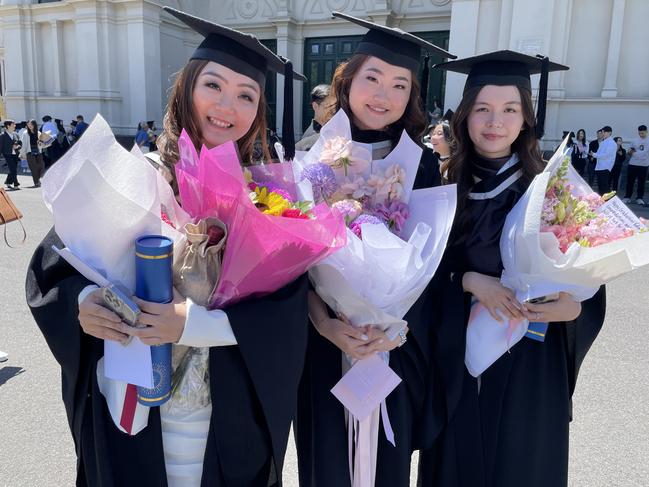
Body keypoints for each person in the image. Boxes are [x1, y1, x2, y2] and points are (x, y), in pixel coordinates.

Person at [26, 7, 308, 486]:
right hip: (134, 403)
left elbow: (287, 311)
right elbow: (55, 262)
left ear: (258, 111)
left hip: (225, 414)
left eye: (247, 95)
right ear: (187, 88)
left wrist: (195, 325)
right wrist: (83, 300)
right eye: (213, 86)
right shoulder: (138, 175)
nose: (227, 106)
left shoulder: (268, 197)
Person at [419, 50, 606, 487]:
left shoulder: (552, 189)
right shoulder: (443, 186)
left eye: (509, 109)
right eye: (482, 109)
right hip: (460, 356)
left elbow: (591, 273)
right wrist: (466, 280)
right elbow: (418, 277)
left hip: (532, 361)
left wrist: (575, 310)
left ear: (526, 119)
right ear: (464, 116)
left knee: (521, 464)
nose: (494, 122)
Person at [295, 12, 455, 487]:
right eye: (373, 78)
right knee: (326, 466)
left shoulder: (421, 164)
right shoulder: (311, 155)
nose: (384, 95)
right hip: (325, 347)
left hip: (393, 350)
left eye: (400, 84)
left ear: (412, 96)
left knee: (384, 466)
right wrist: (326, 323)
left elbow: (431, 263)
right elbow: (291, 268)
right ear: (347, 81)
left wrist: (392, 331)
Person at [295, 84, 330, 151]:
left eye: (334, 107)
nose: (332, 111)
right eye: (328, 106)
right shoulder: (308, 139)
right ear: (315, 106)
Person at [623, 124, 649, 205]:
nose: (641, 135)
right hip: (633, 164)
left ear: (646, 132)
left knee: (641, 182)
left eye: (642, 133)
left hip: (644, 165)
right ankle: (627, 197)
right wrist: (632, 152)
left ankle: (639, 198)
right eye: (639, 133)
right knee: (630, 181)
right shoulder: (634, 140)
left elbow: (644, 153)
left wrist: (636, 153)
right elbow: (630, 151)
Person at [589, 125, 615, 195]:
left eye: (604, 132)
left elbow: (606, 155)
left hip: (605, 167)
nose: (602, 134)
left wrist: (594, 155)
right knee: (600, 186)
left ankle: (608, 202)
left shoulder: (611, 143)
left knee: (605, 186)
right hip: (599, 167)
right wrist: (593, 154)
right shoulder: (603, 142)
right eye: (602, 132)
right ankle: (602, 201)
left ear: (609, 133)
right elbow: (599, 153)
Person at [19, 119, 45, 187]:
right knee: (33, 168)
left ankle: (38, 179)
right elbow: (23, 144)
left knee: (41, 167)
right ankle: (36, 182)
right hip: (29, 153)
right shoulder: (25, 133)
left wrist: (41, 144)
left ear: (34, 125)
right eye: (28, 124)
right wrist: (22, 154)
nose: (29, 126)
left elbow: (42, 145)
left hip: (38, 152)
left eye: (31, 124)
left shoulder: (39, 133)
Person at [1, 119, 21, 189]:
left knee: (13, 168)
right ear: (8, 126)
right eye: (13, 124)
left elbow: (20, 143)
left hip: (15, 154)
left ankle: (8, 181)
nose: (15, 126)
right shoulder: (2, 135)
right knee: (13, 169)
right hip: (7, 154)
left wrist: (18, 146)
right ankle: (16, 184)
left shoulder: (15, 134)